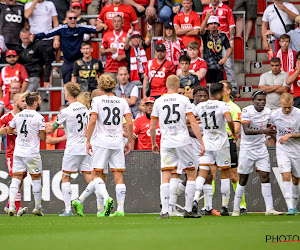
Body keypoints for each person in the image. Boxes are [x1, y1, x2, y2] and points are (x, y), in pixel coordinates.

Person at [74, 74, 133, 217]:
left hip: (101, 142)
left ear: (100, 86)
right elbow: (130, 123)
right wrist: (129, 141)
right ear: (114, 85)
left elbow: (93, 121)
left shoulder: (97, 101)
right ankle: (120, 210)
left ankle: (101, 204)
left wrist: (88, 141)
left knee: (97, 175)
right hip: (117, 142)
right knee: (118, 175)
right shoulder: (122, 101)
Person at [150, 75, 205, 219]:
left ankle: (165, 211)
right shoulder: (184, 100)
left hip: (166, 142)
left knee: (166, 176)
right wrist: (201, 142)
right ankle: (188, 210)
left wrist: (153, 143)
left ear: (165, 85)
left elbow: (152, 126)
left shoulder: (158, 101)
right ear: (178, 85)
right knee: (192, 173)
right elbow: (193, 123)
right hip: (183, 141)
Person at [232, 91, 283, 216]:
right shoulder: (246, 111)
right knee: (243, 178)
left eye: (264, 100)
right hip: (247, 149)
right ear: (253, 100)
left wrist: (274, 135)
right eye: (259, 100)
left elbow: (271, 127)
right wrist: (264, 131)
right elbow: (246, 130)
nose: (262, 102)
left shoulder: (268, 112)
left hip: (261, 148)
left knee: (265, 176)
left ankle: (269, 209)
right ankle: (236, 209)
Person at [45, 82, 92, 216]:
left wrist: (40, 127)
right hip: (85, 146)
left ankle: (68, 210)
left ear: (67, 94)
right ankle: (100, 205)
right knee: (90, 177)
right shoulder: (84, 108)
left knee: (65, 177)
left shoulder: (65, 111)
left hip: (72, 148)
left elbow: (51, 128)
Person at [193, 82, 237, 216]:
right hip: (221, 143)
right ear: (221, 93)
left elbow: (190, 118)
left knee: (202, 173)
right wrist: (234, 133)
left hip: (207, 143)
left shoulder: (201, 105)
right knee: (224, 173)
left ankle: (195, 200)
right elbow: (229, 119)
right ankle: (224, 206)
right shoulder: (223, 105)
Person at [33, 9, 103, 84]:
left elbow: (96, 29)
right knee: (67, 87)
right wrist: (34, 36)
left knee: (83, 85)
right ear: (66, 19)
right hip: (67, 62)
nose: (73, 20)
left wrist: (102, 27)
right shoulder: (61, 29)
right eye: (70, 18)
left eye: (75, 18)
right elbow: (47, 34)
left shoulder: (81, 28)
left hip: (79, 61)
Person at [7, 92, 46, 216]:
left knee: (16, 178)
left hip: (18, 152)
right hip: (32, 153)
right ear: (35, 103)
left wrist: (17, 133)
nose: (40, 101)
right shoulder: (39, 117)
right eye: (39, 100)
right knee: (36, 179)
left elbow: (9, 130)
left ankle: (12, 205)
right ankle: (38, 207)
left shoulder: (18, 115)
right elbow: (43, 137)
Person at [270, 93, 300, 215]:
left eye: (289, 107)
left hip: (297, 149)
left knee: (296, 179)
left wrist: (290, 135)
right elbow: (271, 127)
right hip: (282, 149)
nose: (287, 110)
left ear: (292, 103)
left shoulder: (299, 114)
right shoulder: (275, 115)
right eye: (284, 107)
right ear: (280, 104)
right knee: (286, 175)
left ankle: (294, 205)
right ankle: (290, 207)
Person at [220, 80, 247, 214]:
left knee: (233, 175)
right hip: (214, 144)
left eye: (223, 88)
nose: (220, 90)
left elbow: (236, 129)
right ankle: (207, 207)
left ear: (229, 91)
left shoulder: (234, 108)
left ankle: (241, 205)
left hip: (227, 142)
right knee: (210, 174)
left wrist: (225, 134)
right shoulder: (214, 105)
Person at [0, 93, 27, 216]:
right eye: (22, 101)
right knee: (16, 178)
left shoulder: (26, 116)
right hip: (12, 153)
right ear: (15, 103)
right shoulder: (7, 117)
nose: (25, 103)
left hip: (25, 153)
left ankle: (8, 205)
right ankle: (17, 207)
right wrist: (1, 131)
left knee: (20, 180)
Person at [202, 0, 237, 94]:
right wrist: (206, 17)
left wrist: (231, 40)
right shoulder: (206, 10)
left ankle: (233, 88)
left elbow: (231, 26)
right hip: (211, 40)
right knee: (210, 65)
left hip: (223, 39)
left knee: (228, 64)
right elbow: (202, 28)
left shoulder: (226, 8)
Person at [24, 0, 60, 88]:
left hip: (48, 37)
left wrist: (56, 38)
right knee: (35, 63)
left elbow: (55, 22)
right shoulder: (28, 4)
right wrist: (35, 2)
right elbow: (26, 15)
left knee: (48, 62)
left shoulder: (50, 4)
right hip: (34, 38)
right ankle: (35, 88)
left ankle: (48, 87)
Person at [200, 15, 231, 84]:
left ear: (218, 25)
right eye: (211, 24)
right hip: (207, 65)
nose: (213, 25)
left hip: (218, 66)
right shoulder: (206, 34)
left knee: (218, 87)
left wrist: (225, 58)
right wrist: (206, 18)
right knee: (207, 85)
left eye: (215, 23)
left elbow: (229, 48)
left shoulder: (222, 35)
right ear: (208, 25)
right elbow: (201, 30)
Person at [100, 15, 128, 82]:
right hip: (109, 69)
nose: (116, 23)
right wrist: (109, 50)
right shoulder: (106, 35)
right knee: (109, 91)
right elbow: (101, 52)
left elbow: (133, 53)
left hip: (123, 70)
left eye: (118, 21)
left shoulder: (127, 35)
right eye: (115, 21)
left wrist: (123, 56)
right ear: (112, 23)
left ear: (122, 24)